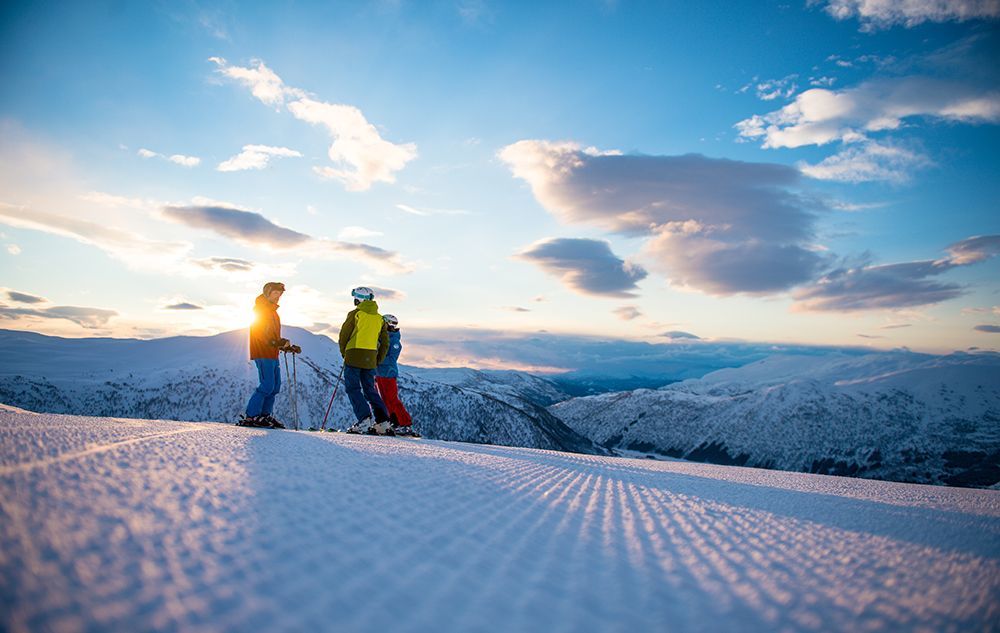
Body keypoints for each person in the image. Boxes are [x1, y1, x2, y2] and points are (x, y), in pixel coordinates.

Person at [240, 282, 298, 429]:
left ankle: (264, 416)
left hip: (272, 353)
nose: (278, 297)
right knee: (267, 385)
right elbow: (260, 333)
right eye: (275, 293)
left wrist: (284, 345)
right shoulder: (261, 310)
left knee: (275, 386)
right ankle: (252, 416)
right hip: (262, 352)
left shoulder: (272, 311)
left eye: (280, 294)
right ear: (267, 293)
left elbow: (271, 335)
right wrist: (277, 342)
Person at [339, 287, 391, 434]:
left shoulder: (355, 314)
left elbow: (344, 336)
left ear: (359, 299)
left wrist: (345, 353)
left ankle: (364, 420)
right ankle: (383, 422)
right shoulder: (380, 319)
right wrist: (377, 359)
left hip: (354, 355)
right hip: (370, 359)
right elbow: (385, 342)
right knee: (370, 390)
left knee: (353, 388)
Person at [376, 314, 418, 437]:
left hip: (388, 374)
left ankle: (405, 424)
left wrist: (376, 359)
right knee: (385, 399)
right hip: (380, 373)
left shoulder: (394, 341)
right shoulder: (383, 337)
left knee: (392, 399)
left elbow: (391, 359)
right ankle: (394, 422)